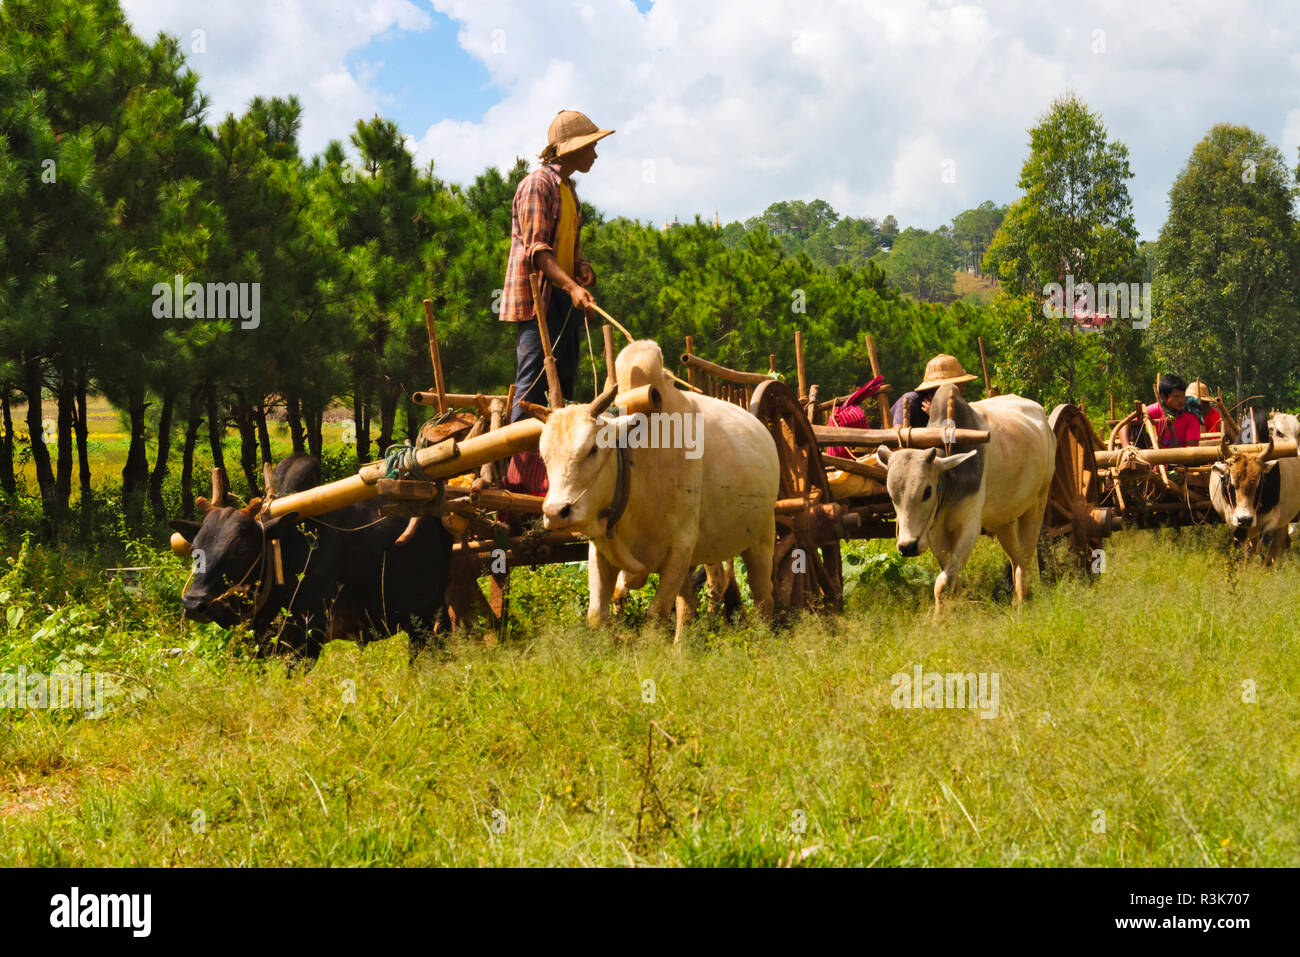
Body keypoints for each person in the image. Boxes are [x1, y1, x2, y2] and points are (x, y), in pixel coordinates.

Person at [500, 110, 614, 423]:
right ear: (571, 149)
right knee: (533, 384)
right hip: (540, 300)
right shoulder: (538, 185)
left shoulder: (569, 191)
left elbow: (565, 248)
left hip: (563, 297)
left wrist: (580, 268)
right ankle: (518, 469)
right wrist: (571, 286)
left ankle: (557, 462)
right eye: (590, 146)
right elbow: (536, 251)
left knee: (564, 381)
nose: (595, 153)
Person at [889, 354, 978, 426]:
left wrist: (936, 416)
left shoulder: (950, 408)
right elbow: (897, 439)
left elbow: (950, 441)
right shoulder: (910, 402)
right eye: (958, 384)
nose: (963, 387)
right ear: (939, 388)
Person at [1144, 374, 1201, 448]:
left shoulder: (1191, 415)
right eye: (1176, 396)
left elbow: (1192, 449)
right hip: (1159, 455)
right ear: (1163, 397)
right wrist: (1126, 447)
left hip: (1184, 457)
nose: (1181, 400)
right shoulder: (1155, 409)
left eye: (1183, 395)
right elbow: (1127, 425)